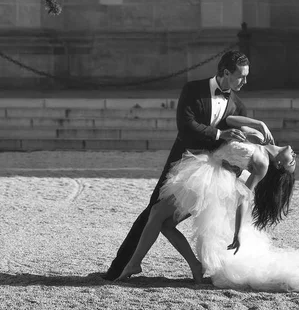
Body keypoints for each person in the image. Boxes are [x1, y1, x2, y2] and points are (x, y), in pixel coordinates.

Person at [117, 125, 299, 295]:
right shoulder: (263, 138)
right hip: (205, 169)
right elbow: (233, 118)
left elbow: (243, 195)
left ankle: (135, 263)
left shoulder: (263, 164)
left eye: (291, 164)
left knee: (157, 216)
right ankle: (191, 266)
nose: (294, 156)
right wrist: (254, 127)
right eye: (294, 160)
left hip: (211, 181)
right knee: (163, 221)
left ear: (278, 165)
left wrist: (238, 232)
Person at [101, 50, 273, 281]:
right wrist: (220, 133)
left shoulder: (238, 107)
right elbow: (186, 126)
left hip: (206, 177)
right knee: (152, 214)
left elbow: (235, 149)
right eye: (241, 76)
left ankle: (186, 266)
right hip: (178, 165)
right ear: (225, 73)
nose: (245, 81)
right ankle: (118, 269)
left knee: (162, 219)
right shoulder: (193, 89)